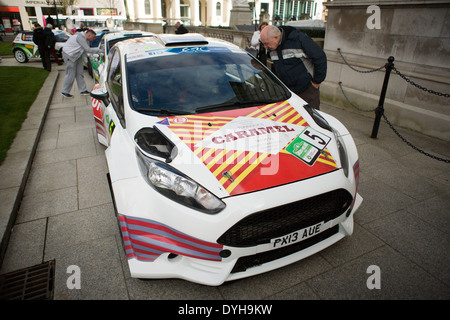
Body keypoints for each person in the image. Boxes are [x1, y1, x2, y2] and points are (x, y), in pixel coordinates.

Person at [260, 25, 327, 110]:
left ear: (276, 37)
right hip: (288, 92)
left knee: (310, 119)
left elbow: (320, 58)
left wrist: (316, 83)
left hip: (307, 90)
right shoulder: (272, 48)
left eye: (266, 43)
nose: (265, 47)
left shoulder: (299, 40)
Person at [61, 29, 99, 98]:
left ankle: (83, 90)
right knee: (71, 74)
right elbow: (88, 49)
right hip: (70, 56)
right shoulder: (80, 37)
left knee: (80, 73)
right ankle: (65, 91)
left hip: (77, 56)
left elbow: (85, 51)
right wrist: (100, 49)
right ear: (88, 35)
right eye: (93, 37)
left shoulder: (86, 39)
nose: (94, 39)